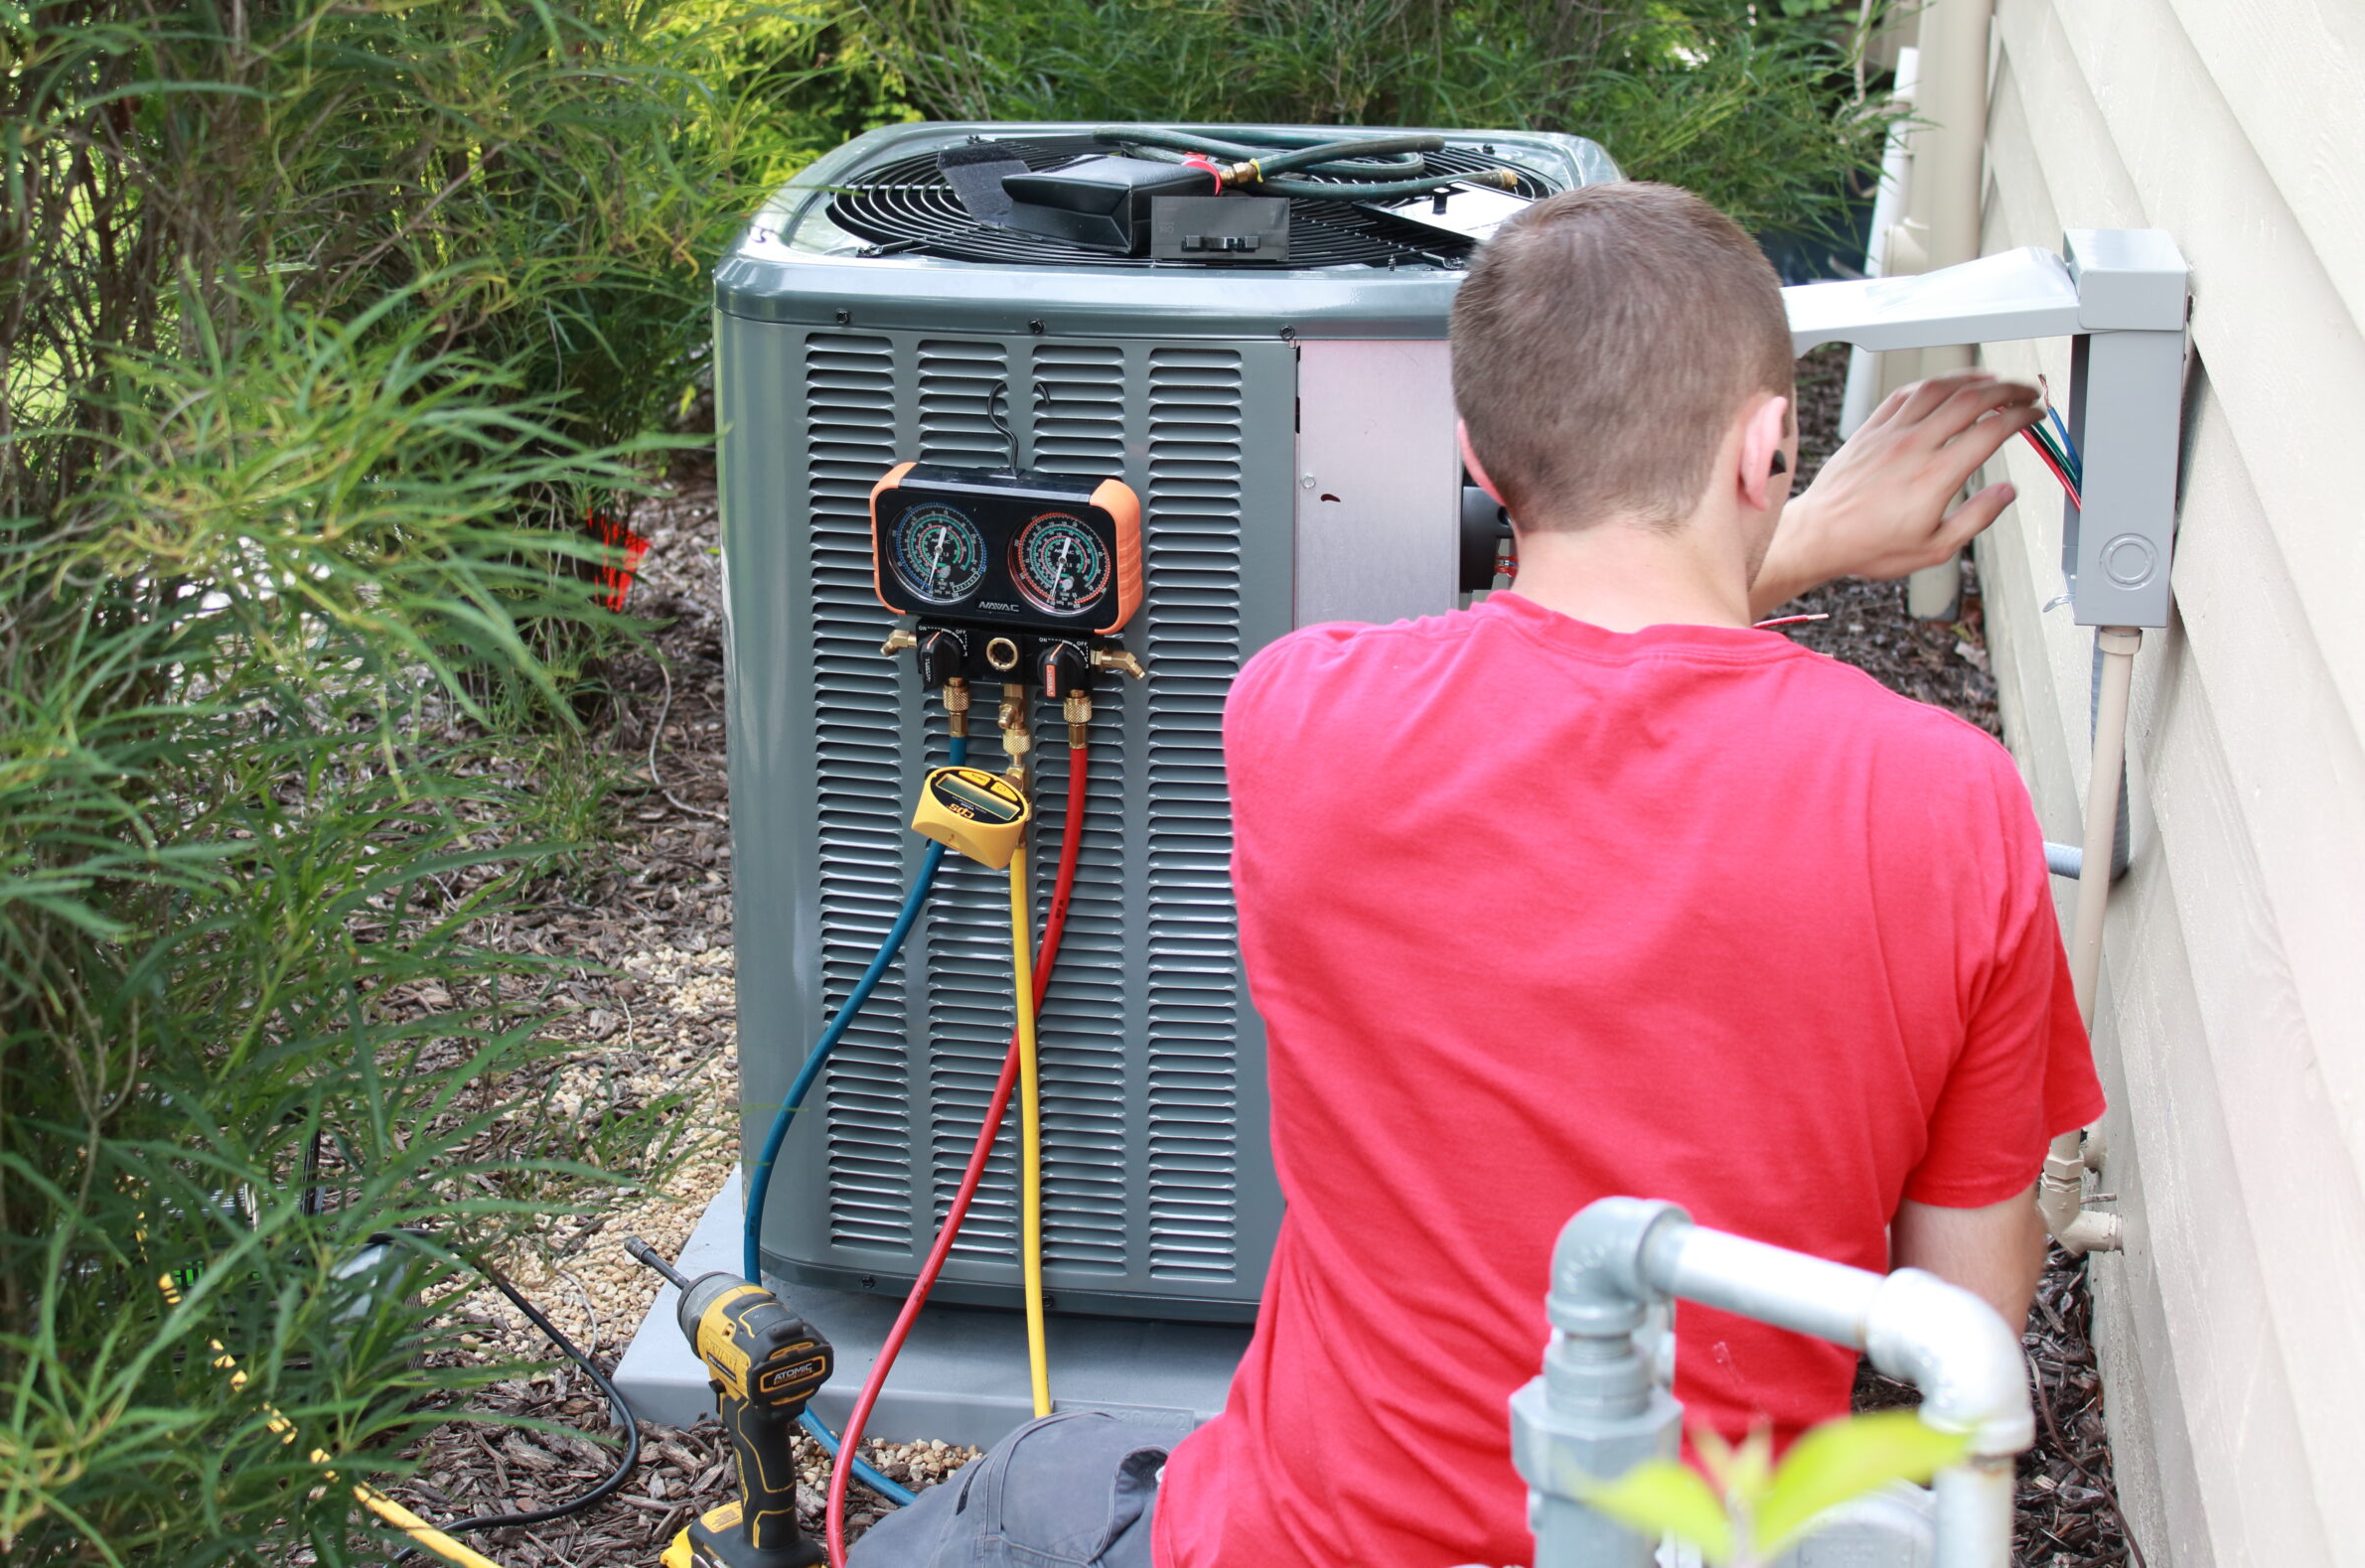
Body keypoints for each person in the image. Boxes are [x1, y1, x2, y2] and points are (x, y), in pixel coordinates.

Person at [845, 182, 2105, 1568]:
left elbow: (1575, 686)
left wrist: (1780, 545)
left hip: (1295, 1542)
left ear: (1480, 462)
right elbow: (1967, 1323)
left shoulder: (1304, 720)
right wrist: (1782, 536)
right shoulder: (1951, 805)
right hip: (1699, 1543)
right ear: (1768, 448)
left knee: (1030, 1481)